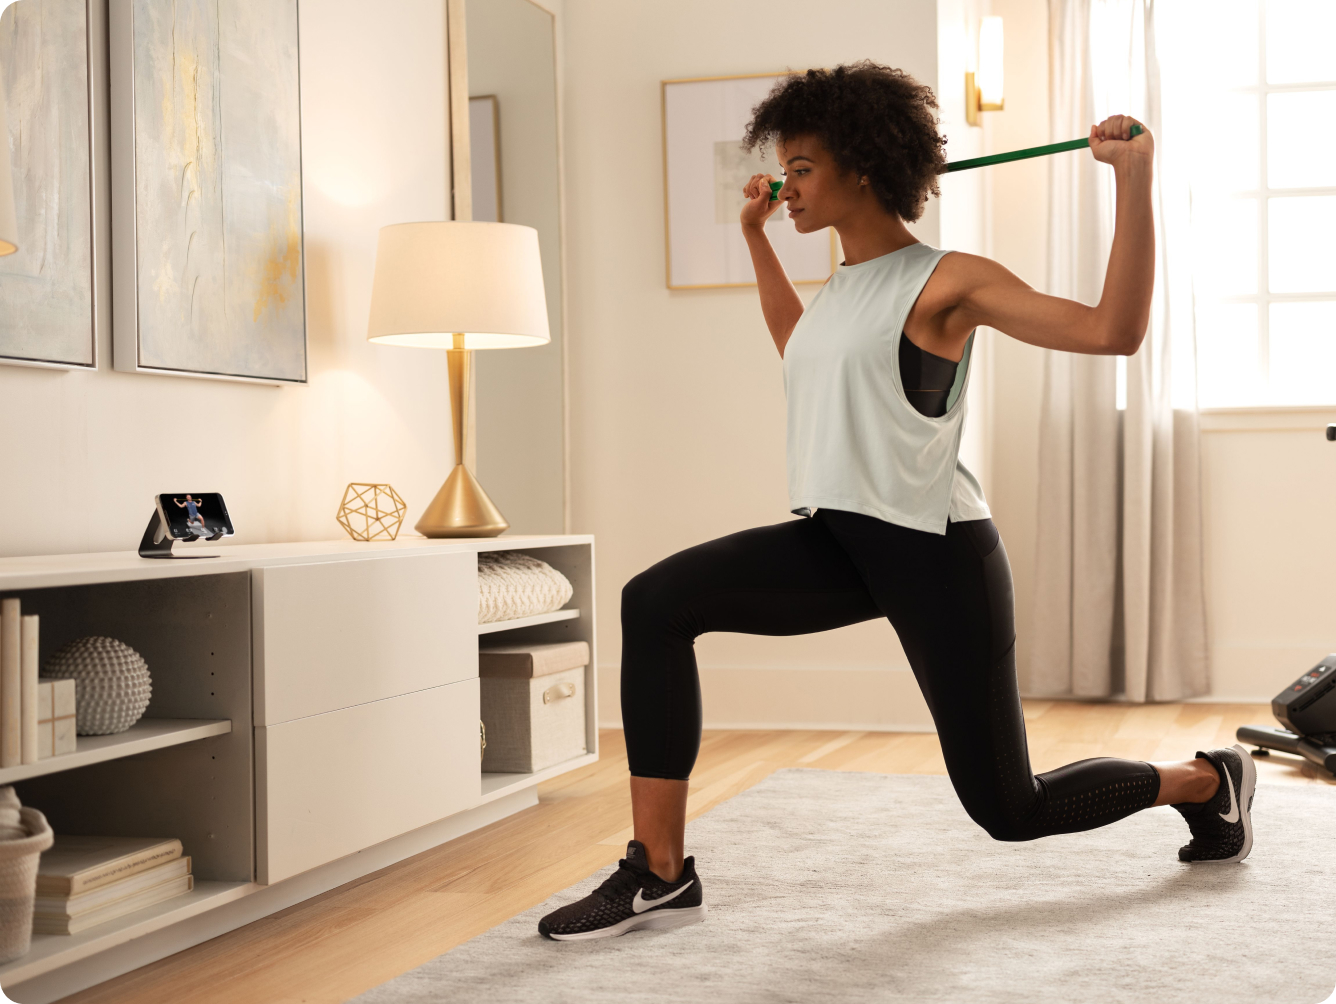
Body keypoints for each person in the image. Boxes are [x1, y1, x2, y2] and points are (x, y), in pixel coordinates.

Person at [539, 62, 1254, 943]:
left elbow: (1115, 330)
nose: (786, 185)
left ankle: (1206, 780)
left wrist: (1134, 179)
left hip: (935, 549)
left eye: (802, 169)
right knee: (654, 601)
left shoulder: (949, 280)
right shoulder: (841, 289)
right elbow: (798, 348)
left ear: (863, 168)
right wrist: (756, 237)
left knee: (1010, 807)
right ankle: (658, 870)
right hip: (838, 539)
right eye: (785, 170)